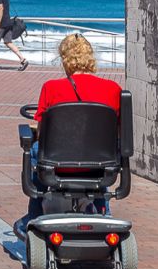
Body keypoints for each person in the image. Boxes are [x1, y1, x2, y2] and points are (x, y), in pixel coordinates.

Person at [12, 33, 122, 237]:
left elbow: (43, 131)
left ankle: (34, 214)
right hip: (100, 166)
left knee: (36, 149)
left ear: (64, 59)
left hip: (59, 164)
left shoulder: (52, 88)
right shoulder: (113, 89)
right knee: (103, 153)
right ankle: (101, 207)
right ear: (91, 58)